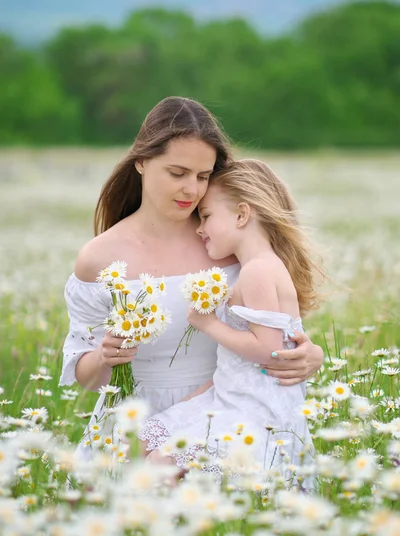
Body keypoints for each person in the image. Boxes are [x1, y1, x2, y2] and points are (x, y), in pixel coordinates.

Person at [59, 96, 323, 460]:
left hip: (230, 419)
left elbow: (276, 332)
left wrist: (312, 355)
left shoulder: (225, 244)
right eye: (177, 173)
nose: (192, 190)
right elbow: (84, 376)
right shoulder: (99, 258)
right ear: (141, 162)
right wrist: (106, 357)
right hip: (136, 423)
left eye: (203, 176)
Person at [139, 158, 323, 482]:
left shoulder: (257, 271)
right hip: (233, 398)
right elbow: (241, 364)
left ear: (241, 214)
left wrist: (209, 324)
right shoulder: (259, 268)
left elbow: (268, 351)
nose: (199, 228)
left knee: (160, 464)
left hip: (256, 413)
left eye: (206, 216)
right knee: (148, 441)